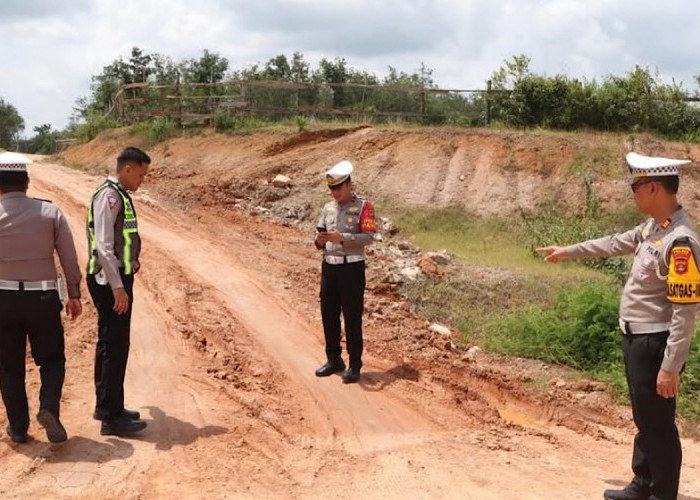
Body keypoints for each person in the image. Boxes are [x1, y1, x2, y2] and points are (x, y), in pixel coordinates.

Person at [537, 152, 698, 500]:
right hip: (636, 340)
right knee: (645, 417)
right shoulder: (655, 228)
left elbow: (685, 312)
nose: (633, 193)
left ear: (653, 187)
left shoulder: (680, 241)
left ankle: (662, 494)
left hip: (655, 344)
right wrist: (567, 250)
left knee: (658, 423)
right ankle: (643, 483)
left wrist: (670, 367)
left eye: (635, 186)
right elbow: (613, 243)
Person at [0, 152, 82, 444]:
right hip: (43, 298)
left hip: (3, 299)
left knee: (8, 366)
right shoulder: (50, 213)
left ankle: (19, 428)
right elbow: (69, 258)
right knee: (51, 359)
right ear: (27, 182)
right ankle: (48, 407)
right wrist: (74, 293)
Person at [86, 147, 150, 436]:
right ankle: (112, 418)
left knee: (111, 343)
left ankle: (109, 407)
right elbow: (103, 245)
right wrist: (117, 287)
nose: (142, 180)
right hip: (109, 281)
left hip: (114, 278)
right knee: (114, 346)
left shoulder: (118, 195)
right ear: (127, 169)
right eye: (141, 173)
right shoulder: (110, 196)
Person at [314, 160, 377, 384]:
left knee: (351, 317)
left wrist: (344, 238)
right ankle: (334, 360)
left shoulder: (364, 207)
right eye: (331, 189)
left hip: (352, 268)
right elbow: (317, 239)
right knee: (328, 315)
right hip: (329, 267)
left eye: (338, 188)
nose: (335, 193)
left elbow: (369, 237)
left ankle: (354, 365)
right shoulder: (327, 208)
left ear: (349, 185)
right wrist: (320, 240)